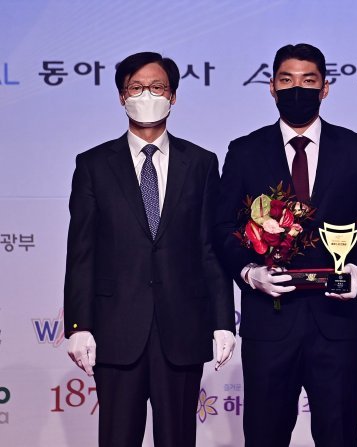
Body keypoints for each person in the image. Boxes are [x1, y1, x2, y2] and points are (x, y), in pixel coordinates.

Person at [214, 43, 357, 447]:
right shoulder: (245, 151)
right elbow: (224, 227)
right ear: (272, 88)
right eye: (287, 80)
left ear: (325, 88)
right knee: (264, 436)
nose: (298, 89)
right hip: (269, 323)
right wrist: (249, 273)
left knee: (339, 435)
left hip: (337, 323)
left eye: (308, 81)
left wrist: (356, 269)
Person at [63, 51, 236, 447]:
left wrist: (223, 320)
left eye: (157, 87)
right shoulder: (93, 164)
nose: (147, 95)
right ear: (121, 96)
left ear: (172, 96)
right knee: (117, 438)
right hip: (115, 329)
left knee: (178, 438)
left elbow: (210, 249)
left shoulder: (201, 163)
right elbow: (82, 252)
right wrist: (79, 325)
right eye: (137, 87)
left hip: (183, 328)